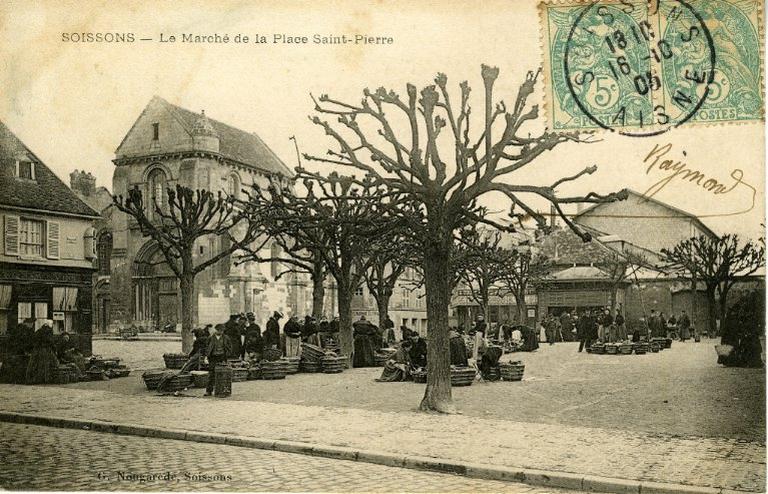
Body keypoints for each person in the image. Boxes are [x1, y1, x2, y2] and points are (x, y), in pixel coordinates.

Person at [25, 319, 59, 385]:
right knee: (46, 365)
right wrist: (55, 349)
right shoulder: (48, 331)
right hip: (45, 349)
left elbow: (34, 340)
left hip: (36, 349)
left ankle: (33, 379)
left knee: (35, 365)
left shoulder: (39, 330)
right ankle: (45, 379)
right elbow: (50, 341)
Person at [205, 324, 232, 396]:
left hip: (222, 357)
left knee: (222, 374)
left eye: (222, 330)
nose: (220, 332)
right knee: (211, 374)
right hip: (213, 357)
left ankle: (221, 390)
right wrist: (207, 355)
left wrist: (227, 354)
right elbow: (207, 347)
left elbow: (229, 347)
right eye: (219, 330)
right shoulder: (210, 338)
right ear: (216, 329)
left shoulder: (226, 338)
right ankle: (209, 391)